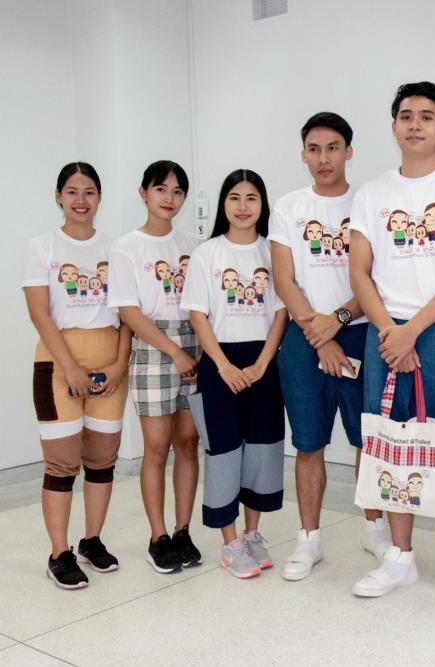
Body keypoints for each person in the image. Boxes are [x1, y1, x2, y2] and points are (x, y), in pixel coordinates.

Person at [348, 82, 435, 607]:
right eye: (405, 115)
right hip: (385, 333)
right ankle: (400, 557)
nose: (415, 125)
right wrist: (392, 331)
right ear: (393, 126)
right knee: (389, 440)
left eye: (426, 117)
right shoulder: (372, 193)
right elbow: (359, 272)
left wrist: (413, 331)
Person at [270, 112, 389, 582]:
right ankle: (308, 540)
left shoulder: (368, 202)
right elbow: (284, 279)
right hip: (303, 339)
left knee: (368, 440)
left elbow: (375, 276)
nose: (324, 158)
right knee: (308, 443)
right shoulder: (289, 206)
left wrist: (335, 323)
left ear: (349, 152)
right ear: (303, 154)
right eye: (314, 149)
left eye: (333, 148)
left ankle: (375, 529)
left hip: (360, 333)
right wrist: (319, 336)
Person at [22, 162, 131, 589]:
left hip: (109, 362)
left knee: (102, 460)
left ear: (100, 198)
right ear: (58, 196)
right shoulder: (41, 247)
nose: (80, 200)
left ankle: (92, 540)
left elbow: (127, 313)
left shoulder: (116, 249)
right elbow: (39, 313)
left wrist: (119, 364)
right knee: (62, 463)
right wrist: (69, 366)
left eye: (89, 192)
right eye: (71, 192)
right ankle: (58, 553)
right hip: (57, 363)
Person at [180, 169, 288, 579]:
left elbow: (281, 313)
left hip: (263, 362)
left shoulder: (272, 252)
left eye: (251, 198)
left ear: (262, 205)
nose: (243, 207)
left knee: (262, 449)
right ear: (223, 203)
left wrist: (262, 364)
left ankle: (252, 533)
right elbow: (198, 314)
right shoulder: (207, 253)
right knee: (224, 452)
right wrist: (223, 365)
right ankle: (230, 543)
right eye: (235, 198)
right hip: (219, 363)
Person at [108, 161, 203, 574]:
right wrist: (174, 352)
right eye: (161, 189)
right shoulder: (126, 247)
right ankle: (158, 537)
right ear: (143, 192)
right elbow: (129, 312)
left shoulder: (195, 244)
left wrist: (195, 351)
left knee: (188, 443)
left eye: (178, 191)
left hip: (194, 344)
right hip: (152, 348)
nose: (169, 198)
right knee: (157, 447)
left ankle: (183, 531)